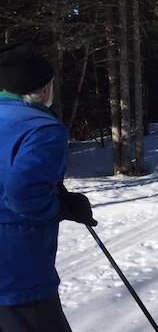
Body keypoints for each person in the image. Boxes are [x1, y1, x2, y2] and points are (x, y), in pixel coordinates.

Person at [0, 43, 97, 332]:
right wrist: (62, 207)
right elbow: (23, 194)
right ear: (42, 89)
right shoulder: (42, 128)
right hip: (16, 272)